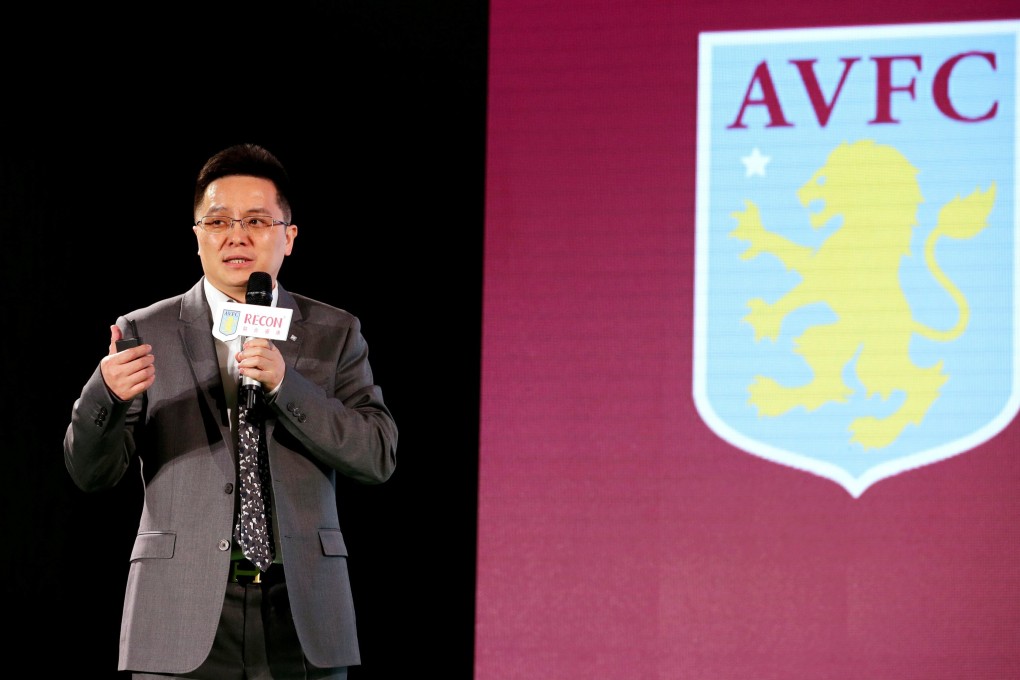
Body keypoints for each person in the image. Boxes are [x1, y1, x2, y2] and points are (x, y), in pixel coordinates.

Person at [63, 143, 398, 679]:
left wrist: (287, 385)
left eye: (257, 221)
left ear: (288, 235)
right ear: (197, 235)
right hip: (183, 612)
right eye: (217, 221)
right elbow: (91, 472)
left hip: (302, 611)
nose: (235, 234)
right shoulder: (144, 331)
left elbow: (377, 455)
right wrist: (104, 393)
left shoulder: (335, 333)